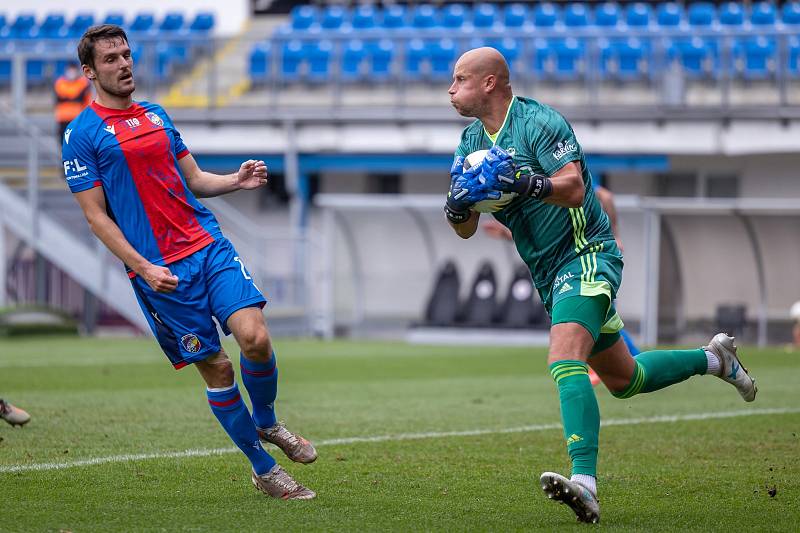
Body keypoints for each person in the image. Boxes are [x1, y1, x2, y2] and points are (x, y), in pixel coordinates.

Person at [445, 47, 757, 523]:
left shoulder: (538, 122)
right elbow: (465, 230)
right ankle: (715, 359)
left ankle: (586, 483)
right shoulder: (470, 142)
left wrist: (529, 184)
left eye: (460, 79)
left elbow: (573, 187)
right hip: (549, 274)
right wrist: (457, 209)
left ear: (490, 82)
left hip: (587, 253)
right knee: (624, 379)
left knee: (563, 357)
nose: (451, 89)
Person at [62, 25, 316, 500]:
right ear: (90, 71)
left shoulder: (156, 114)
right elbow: (97, 219)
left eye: (126, 54)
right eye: (111, 58)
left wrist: (235, 181)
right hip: (163, 273)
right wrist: (143, 266)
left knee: (255, 338)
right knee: (218, 369)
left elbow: (194, 179)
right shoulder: (82, 134)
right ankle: (263, 470)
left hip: (207, 245)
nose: (124, 64)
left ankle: (267, 422)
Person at [54, 61, 93, 143]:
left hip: (78, 118)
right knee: (63, 143)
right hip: (63, 118)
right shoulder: (60, 83)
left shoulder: (83, 83)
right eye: (70, 69)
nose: (71, 72)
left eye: (73, 69)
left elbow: (87, 102)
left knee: (77, 143)